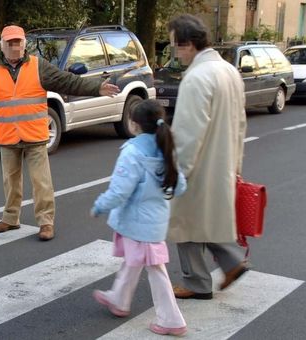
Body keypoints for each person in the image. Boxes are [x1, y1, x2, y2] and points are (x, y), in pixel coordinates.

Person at [0, 25, 119, 241]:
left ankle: (46, 223)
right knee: (10, 182)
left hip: (34, 135)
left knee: (41, 182)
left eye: (18, 42)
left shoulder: (37, 66)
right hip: (8, 136)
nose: (15, 47)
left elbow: (67, 81)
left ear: (24, 44)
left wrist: (97, 87)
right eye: (10, 43)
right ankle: (11, 218)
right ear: (1, 45)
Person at [166, 14, 249, 300]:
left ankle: (196, 281)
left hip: (199, 165)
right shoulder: (228, 70)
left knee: (185, 224)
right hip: (222, 161)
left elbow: (188, 133)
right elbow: (240, 123)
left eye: (175, 45)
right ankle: (231, 262)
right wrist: (236, 164)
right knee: (205, 220)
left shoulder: (197, 77)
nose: (175, 52)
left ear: (188, 44)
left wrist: (177, 172)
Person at [90, 99, 187, 336]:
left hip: (136, 221)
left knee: (155, 270)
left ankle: (172, 320)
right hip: (154, 221)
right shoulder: (166, 147)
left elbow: (120, 190)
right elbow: (180, 186)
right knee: (136, 261)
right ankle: (119, 300)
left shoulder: (133, 151)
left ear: (134, 124)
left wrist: (100, 205)